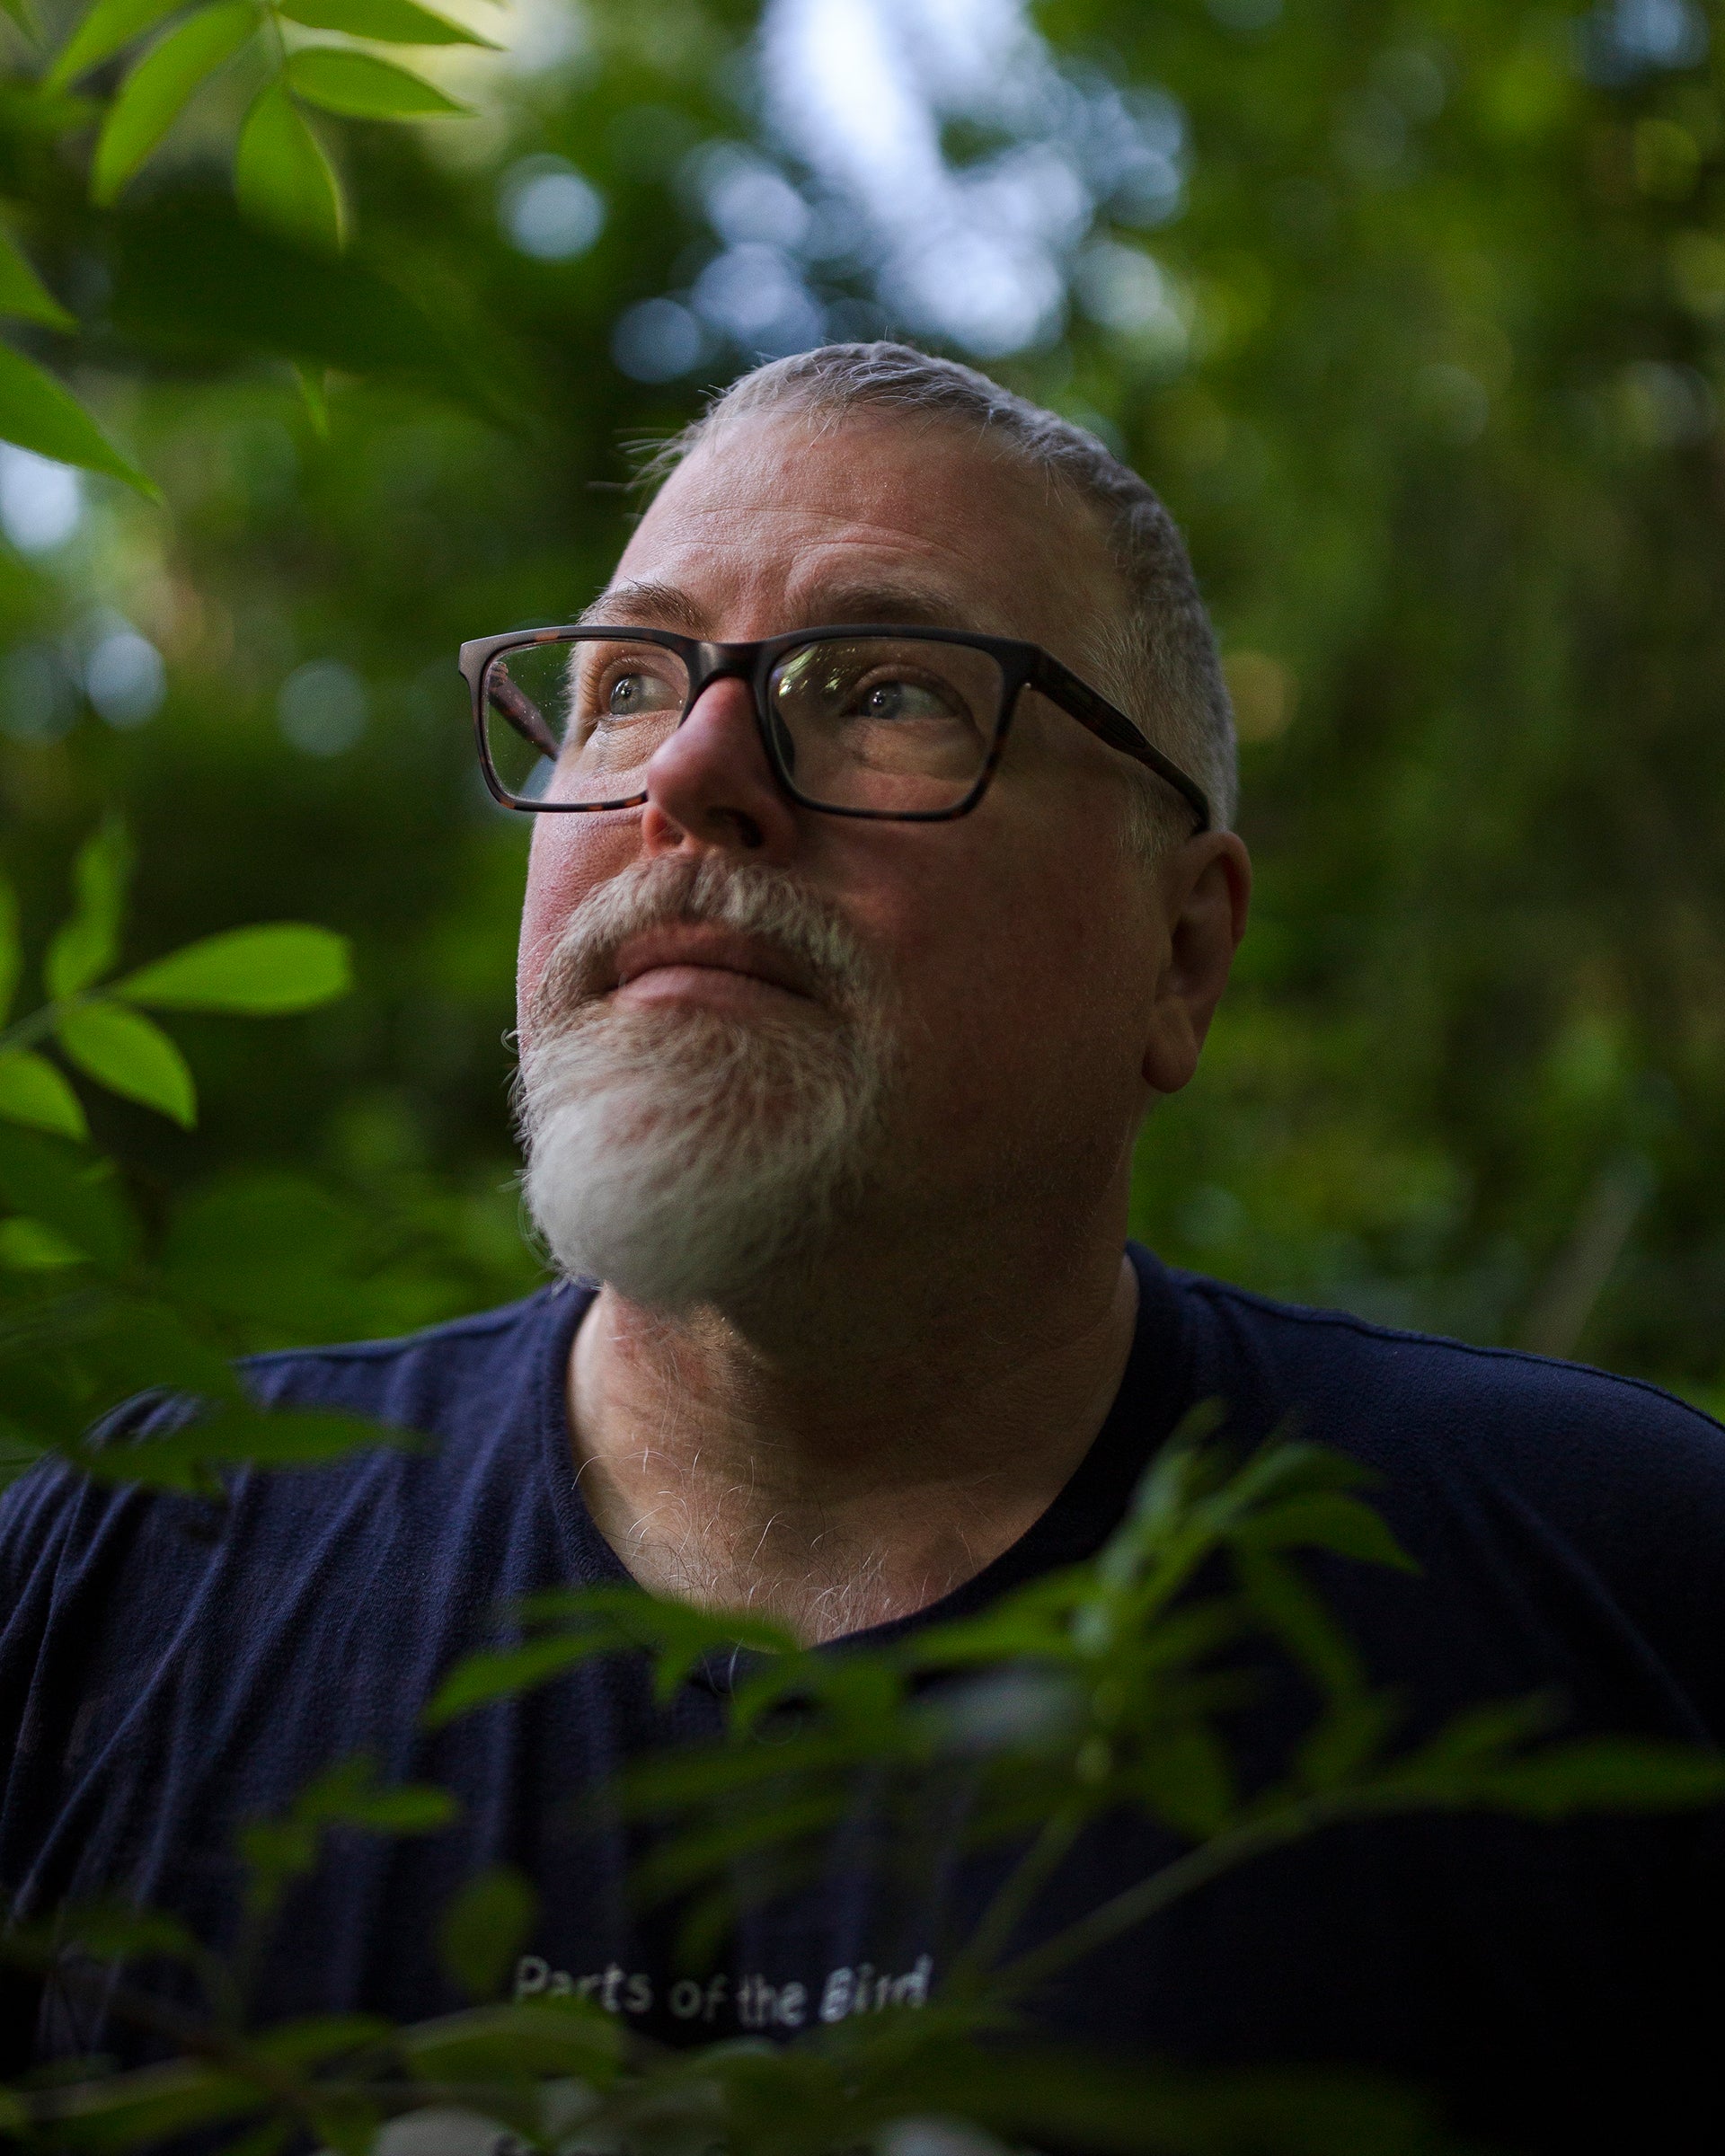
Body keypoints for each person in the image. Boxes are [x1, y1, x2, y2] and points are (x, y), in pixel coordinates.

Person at [3, 343, 1722, 2151]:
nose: (695, 772)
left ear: (1180, 955)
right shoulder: (110, 1592)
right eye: (625, 683)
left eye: (887, 688)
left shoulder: (1622, 1598)